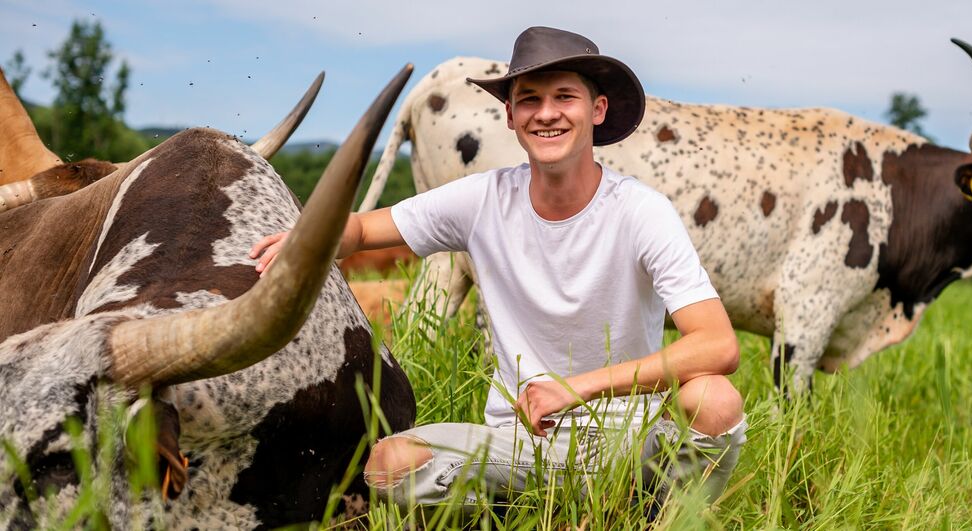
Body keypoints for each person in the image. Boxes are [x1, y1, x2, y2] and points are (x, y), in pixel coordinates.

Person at [249, 26, 746, 509]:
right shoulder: (483, 199)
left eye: (564, 97)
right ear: (510, 116)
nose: (546, 113)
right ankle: (511, 511)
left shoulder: (642, 210)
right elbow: (361, 230)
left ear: (597, 110)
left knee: (714, 400)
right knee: (390, 464)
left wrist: (574, 389)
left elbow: (718, 344)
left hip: (632, 443)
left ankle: (658, 515)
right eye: (529, 99)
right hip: (521, 442)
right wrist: (308, 235)